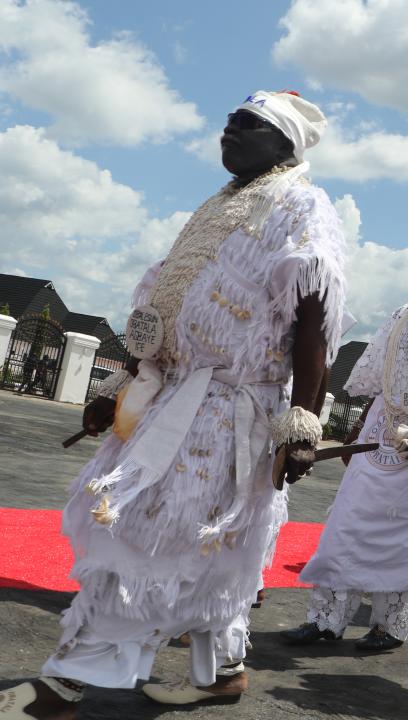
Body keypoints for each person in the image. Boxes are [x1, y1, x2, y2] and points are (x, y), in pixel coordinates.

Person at [0, 90, 348, 718]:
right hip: (176, 397)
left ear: (283, 143)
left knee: (150, 537)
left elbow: (313, 319)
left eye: (246, 125)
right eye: (227, 123)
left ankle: (67, 683)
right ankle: (223, 672)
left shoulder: (303, 205)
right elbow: (164, 308)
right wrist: (122, 390)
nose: (228, 133)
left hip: (228, 411)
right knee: (212, 550)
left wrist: (303, 420)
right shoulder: (222, 204)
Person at [282, 209, 408, 654]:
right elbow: (374, 379)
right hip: (380, 431)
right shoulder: (397, 315)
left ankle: (389, 626)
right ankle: (325, 621)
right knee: (347, 523)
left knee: (407, 534)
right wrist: (356, 431)